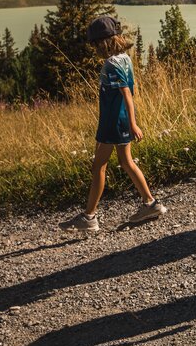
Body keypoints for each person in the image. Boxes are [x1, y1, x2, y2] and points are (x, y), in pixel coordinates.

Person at [61, 15, 167, 231]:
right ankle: (151, 204)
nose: (94, 49)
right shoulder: (124, 58)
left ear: (102, 42)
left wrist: (133, 124)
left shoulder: (111, 64)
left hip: (112, 122)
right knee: (126, 162)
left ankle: (89, 217)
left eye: (95, 44)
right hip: (121, 119)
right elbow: (128, 91)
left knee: (98, 166)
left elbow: (126, 93)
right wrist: (130, 122)